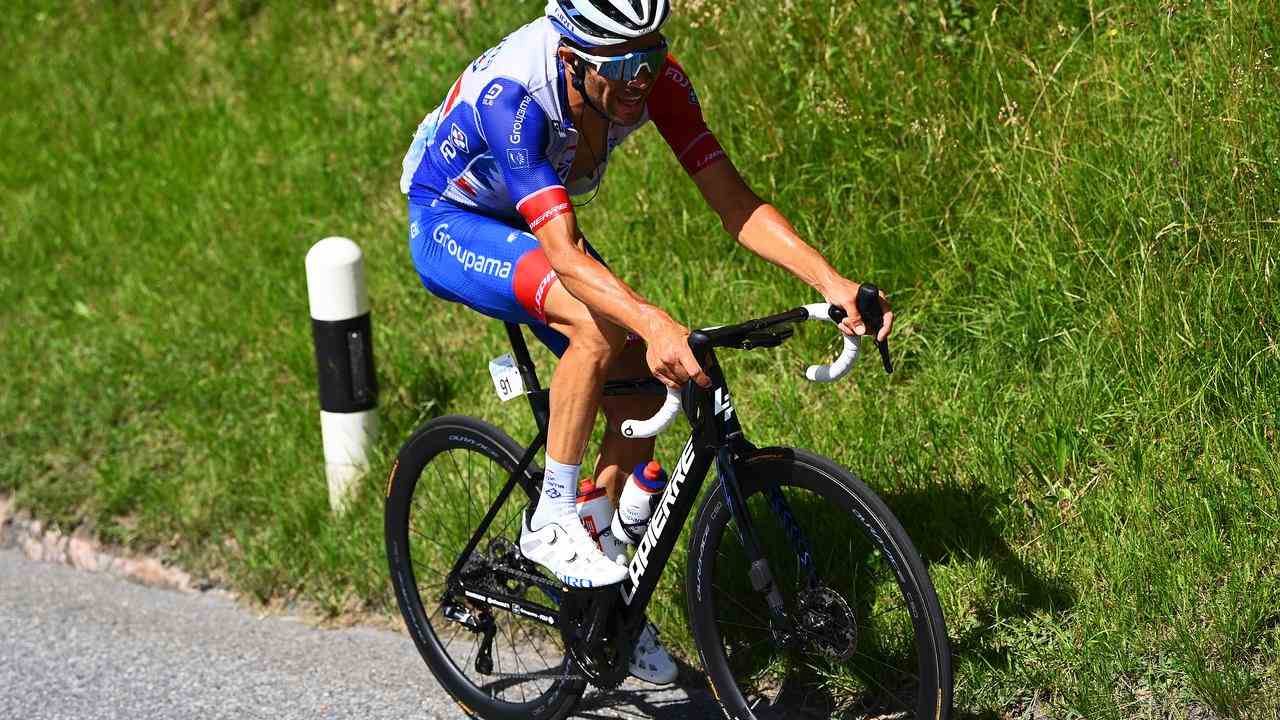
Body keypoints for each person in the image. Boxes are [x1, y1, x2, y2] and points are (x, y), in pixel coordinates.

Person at [399, 0, 893, 685]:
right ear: (572, 60)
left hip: (535, 214)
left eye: (652, 57)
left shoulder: (649, 75)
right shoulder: (513, 99)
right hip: (453, 218)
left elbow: (734, 201)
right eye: (624, 65)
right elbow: (567, 257)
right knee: (598, 324)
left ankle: (603, 607)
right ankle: (550, 519)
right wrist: (652, 319)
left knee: (646, 386)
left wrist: (829, 279)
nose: (642, 79)